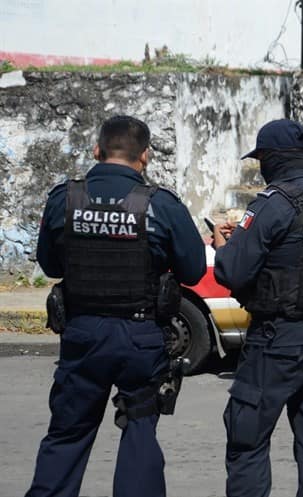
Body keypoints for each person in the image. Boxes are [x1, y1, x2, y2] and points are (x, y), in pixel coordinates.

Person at [26, 115, 207, 497]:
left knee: (68, 433)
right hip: (140, 335)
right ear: (145, 156)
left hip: (82, 333)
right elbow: (191, 270)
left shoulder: (65, 198)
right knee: (140, 429)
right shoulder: (162, 203)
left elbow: (50, 264)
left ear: (97, 150)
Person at [212, 118, 303, 497]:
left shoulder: (274, 203)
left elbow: (232, 270)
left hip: (279, 339)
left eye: (261, 158)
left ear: (272, 158)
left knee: (246, 436)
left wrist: (223, 245)